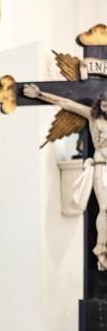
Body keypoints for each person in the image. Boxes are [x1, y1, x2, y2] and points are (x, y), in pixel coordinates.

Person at [24, 84, 107, 270]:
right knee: (105, 208)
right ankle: (102, 250)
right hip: (101, 167)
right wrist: (39, 94)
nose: (105, 109)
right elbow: (66, 102)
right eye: (103, 105)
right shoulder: (92, 116)